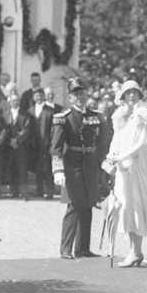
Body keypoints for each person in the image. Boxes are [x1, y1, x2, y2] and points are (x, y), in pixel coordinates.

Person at [50, 77, 107, 259]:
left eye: (82, 93)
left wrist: (104, 164)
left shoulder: (95, 117)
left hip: (90, 165)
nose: (80, 97)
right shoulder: (63, 119)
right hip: (72, 166)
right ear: (70, 98)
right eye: (76, 94)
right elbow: (56, 147)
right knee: (74, 205)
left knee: (88, 204)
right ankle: (66, 249)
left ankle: (83, 248)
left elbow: (102, 142)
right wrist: (57, 170)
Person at [105, 80, 147, 267]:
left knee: (136, 207)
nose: (131, 96)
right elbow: (116, 140)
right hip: (123, 169)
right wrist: (112, 156)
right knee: (125, 207)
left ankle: (136, 251)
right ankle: (134, 251)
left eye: (134, 93)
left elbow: (142, 143)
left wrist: (122, 156)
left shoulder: (145, 114)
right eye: (128, 93)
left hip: (138, 169)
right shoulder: (120, 116)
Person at [4, 93, 33, 198]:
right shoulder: (5, 114)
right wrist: (9, 141)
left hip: (21, 146)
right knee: (11, 169)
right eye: (13, 100)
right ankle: (13, 191)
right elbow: (3, 129)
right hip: (8, 147)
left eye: (17, 100)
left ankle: (24, 192)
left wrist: (17, 140)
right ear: (9, 102)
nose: (15, 102)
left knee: (22, 169)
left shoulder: (25, 114)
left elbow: (27, 129)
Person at [28, 87, 54, 198]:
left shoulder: (50, 110)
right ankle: (39, 191)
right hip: (35, 144)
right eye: (36, 96)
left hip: (46, 143)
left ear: (44, 96)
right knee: (37, 168)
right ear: (34, 98)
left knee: (48, 169)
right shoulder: (30, 110)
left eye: (40, 95)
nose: (38, 97)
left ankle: (50, 192)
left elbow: (53, 128)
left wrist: (51, 142)